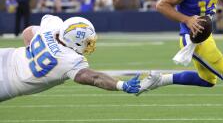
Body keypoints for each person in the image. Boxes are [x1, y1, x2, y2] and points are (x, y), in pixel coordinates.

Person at [0, 14, 140, 102]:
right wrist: (121, 85)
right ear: (75, 41)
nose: (89, 45)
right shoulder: (68, 60)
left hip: (5, 55)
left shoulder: (52, 26)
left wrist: (33, 54)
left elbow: (27, 32)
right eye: (87, 42)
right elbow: (95, 78)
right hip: (6, 83)